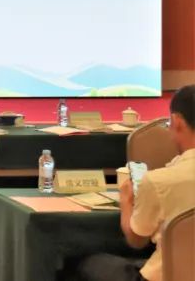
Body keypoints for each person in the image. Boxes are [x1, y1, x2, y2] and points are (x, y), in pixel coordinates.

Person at [79, 85, 195, 281]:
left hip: (165, 276)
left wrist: (126, 201)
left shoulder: (159, 181)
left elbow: (137, 240)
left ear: (177, 122)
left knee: (86, 263)